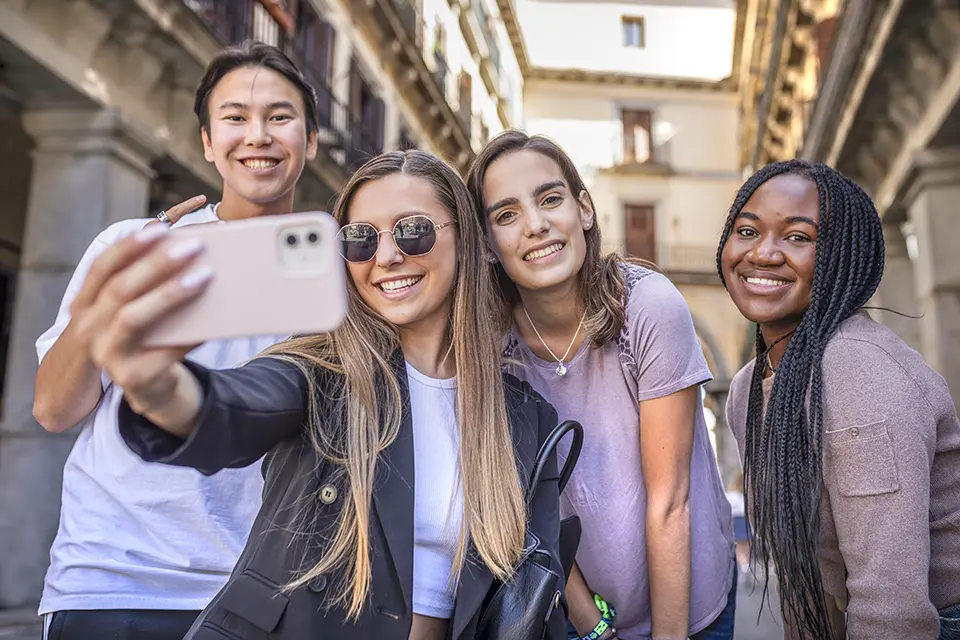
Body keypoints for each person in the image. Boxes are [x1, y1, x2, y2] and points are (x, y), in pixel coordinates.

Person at [77, 149, 568, 639]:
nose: (387, 257)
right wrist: (157, 384)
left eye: (412, 230)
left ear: (470, 242)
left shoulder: (527, 418)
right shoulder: (317, 370)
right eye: (359, 240)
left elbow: (535, 591)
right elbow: (232, 407)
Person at [32, 40, 319, 639]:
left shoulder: (335, 275)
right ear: (209, 143)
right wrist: (101, 308)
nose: (258, 135)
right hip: (110, 578)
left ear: (310, 141)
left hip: (257, 592)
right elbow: (54, 410)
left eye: (280, 117)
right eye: (235, 118)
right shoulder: (132, 245)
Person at [466, 130, 736, 640]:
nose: (536, 225)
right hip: (578, 618)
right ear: (486, 246)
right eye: (506, 215)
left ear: (583, 209)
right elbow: (530, 509)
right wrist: (592, 625)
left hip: (693, 612)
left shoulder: (647, 307)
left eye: (550, 199)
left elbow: (670, 502)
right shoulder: (492, 348)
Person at [717, 159, 960, 640]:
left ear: (841, 258)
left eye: (798, 237)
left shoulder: (859, 372)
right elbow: (802, 575)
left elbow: (894, 613)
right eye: (747, 230)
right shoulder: (750, 386)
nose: (763, 253)